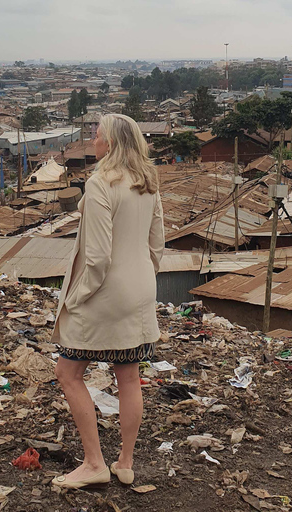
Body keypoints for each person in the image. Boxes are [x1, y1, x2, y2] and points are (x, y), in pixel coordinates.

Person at [50, 113, 165, 489]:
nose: (93, 141)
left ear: (110, 143)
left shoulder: (100, 183)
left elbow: (97, 258)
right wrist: (143, 277)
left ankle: (94, 463)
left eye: (97, 135)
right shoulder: (148, 182)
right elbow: (157, 244)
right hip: (140, 289)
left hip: (105, 292)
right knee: (128, 377)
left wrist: (78, 296)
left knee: (68, 373)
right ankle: (125, 462)